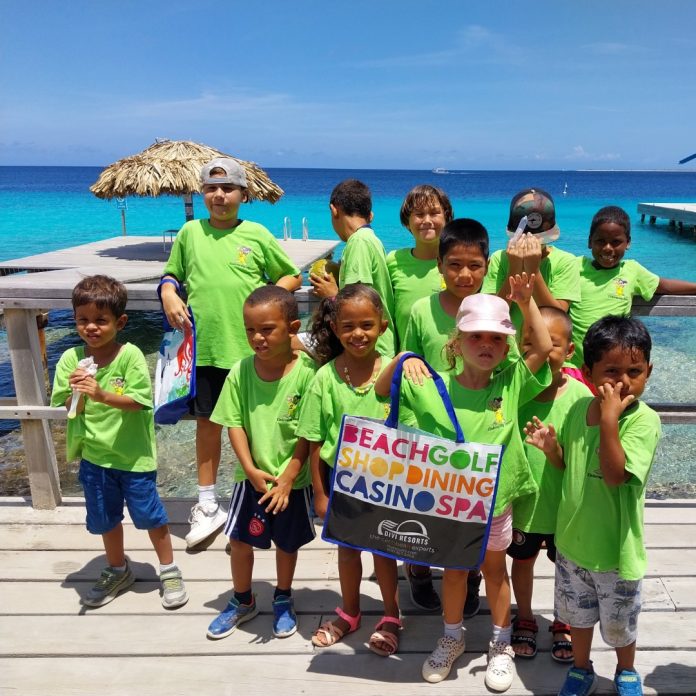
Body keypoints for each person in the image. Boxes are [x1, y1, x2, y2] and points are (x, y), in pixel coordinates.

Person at [378, 274, 552, 691]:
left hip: (496, 503)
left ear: (507, 346)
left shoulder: (510, 382)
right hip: (449, 504)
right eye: (476, 337)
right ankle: (452, 636)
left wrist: (526, 302)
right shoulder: (431, 383)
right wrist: (403, 357)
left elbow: (544, 348)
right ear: (457, 342)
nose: (486, 345)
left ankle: (501, 643)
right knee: (454, 573)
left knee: (495, 571)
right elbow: (384, 391)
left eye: (496, 338)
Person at [159, 157, 302, 548]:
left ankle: (264, 491)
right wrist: (168, 291)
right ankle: (208, 503)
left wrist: (269, 300)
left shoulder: (256, 233)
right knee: (208, 425)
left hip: (251, 351)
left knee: (256, 425)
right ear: (202, 193)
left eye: (227, 189)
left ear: (243, 194)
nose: (219, 195)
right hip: (205, 349)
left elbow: (291, 274)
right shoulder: (190, 233)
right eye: (211, 189)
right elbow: (172, 274)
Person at [524, 316, 660, 696]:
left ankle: (626, 670)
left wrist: (610, 420)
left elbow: (615, 475)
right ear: (587, 373)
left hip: (616, 552)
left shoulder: (644, 422)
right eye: (611, 371)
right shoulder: (577, 409)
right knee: (577, 618)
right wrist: (551, 450)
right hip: (572, 545)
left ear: (648, 372)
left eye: (634, 371)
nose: (623, 381)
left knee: (620, 625)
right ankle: (581, 668)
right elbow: (568, 465)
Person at [51, 275, 188, 610]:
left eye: (101, 320)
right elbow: (70, 409)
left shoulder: (130, 356)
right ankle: (117, 569)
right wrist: (77, 393)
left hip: (134, 459)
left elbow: (140, 402)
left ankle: (169, 569)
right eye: (83, 320)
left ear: (120, 322)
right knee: (104, 518)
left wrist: (100, 393)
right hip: (95, 458)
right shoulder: (70, 359)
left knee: (150, 516)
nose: (91, 327)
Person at [296, 283, 402, 656]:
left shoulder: (394, 374)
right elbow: (313, 440)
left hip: (385, 483)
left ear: (383, 326)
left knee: (384, 550)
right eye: (348, 326)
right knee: (347, 550)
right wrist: (320, 492)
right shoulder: (324, 378)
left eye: (367, 325)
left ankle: (391, 615)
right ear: (335, 329)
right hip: (340, 482)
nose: (358, 334)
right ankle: (351, 611)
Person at [205, 286, 316, 640]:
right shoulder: (240, 371)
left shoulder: (308, 373)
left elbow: (310, 432)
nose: (257, 338)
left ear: (293, 328)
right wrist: (250, 469)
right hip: (250, 477)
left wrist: (290, 476)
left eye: (267, 329)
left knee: (287, 543)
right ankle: (242, 598)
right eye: (250, 329)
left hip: (292, 481)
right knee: (239, 541)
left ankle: (283, 596)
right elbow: (233, 423)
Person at [400, 217, 491, 615]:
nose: (464, 274)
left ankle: (471, 575)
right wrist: (407, 359)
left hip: (476, 427)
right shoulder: (422, 309)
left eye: (474, 265)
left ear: (487, 265)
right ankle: (418, 570)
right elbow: (409, 358)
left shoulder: (492, 310)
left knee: (471, 511)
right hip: (427, 428)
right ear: (439, 264)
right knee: (423, 508)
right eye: (454, 264)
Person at [507, 307, 592, 663]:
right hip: (525, 504)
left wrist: (554, 451)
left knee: (566, 567)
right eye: (528, 344)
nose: (539, 351)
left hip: (565, 506)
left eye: (550, 344)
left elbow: (581, 461)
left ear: (570, 351)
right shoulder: (515, 392)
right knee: (522, 561)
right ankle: (525, 615)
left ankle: (563, 619)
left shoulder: (580, 398)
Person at [568, 205, 696, 372]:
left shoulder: (632, 270)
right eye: (600, 241)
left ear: (627, 243)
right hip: (574, 367)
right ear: (589, 241)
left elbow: (664, 286)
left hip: (612, 369)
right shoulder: (575, 267)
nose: (607, 248)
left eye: (616, 242)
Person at [309, 179, 397, 358]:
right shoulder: (370, 239)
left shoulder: (358, 242)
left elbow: (358, 303)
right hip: (376, 342)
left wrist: (331, 295)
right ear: (369, 215)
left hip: (370, 346)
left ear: (334, 210)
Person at [482, 188, 580, 334]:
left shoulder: (566, 261)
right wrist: (514, 268)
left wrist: (534, 271)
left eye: (538, 241)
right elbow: (492, 313)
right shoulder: (499, 259)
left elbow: (558, 317)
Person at [387, 184, 453, 345]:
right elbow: (385, 315)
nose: (427, 220)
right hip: (407, 358)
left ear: (446, 217)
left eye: (434, 213)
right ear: (407, 222)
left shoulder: (457, 263)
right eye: (419, 214)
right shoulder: (394, 260)